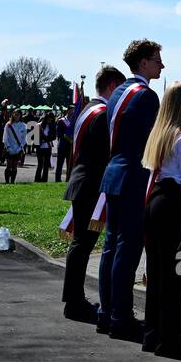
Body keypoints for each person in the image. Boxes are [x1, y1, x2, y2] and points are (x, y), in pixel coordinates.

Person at [97, 39, 164, 340]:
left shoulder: (118, 93)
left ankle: (107, 311)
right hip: (134, 178)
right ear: (143, 63)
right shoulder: (147, 96)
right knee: (128, 247)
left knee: (111, 247)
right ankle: (120, 316)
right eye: (157, 59)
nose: (161, 64)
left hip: (113, 175)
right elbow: (155, 142)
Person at [141, 82, 181, 357]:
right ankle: (171, 339)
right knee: (178, 274)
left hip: (156, 203)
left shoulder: (160, 132)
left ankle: (153, 334)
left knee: (157, 273)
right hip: (176, 209)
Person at [61, 66, 124, 322]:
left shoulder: (88, 109)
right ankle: (74, 301)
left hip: (82, 181)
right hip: (91, 185)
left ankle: (73, 299)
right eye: (119, 90)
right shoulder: (102, 115)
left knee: (81, 244)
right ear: (111, 88)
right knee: (83, 245)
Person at [2, 109, 27, 184]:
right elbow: (5, 137)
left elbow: (24, 138)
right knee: (8, 166)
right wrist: (8, 147)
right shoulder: (8, 124)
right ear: (13, 115)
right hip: (9, 148)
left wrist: (20, 147)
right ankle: (7, 182)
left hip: (18, 148)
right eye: (15, 114)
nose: (16, 116)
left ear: (20, 115)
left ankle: (12, 182)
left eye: (18, 114)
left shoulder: (23, 125)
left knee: (14, 166)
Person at [34, 112, 55, 182]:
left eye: (51, 119)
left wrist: (47, 138)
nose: (50, 120)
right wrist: (42, 138)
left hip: (48, 147)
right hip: (39, 147)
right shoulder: (38, 125)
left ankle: (44, 180)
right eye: (49, 119)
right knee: (40, 164)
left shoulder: (51, 126)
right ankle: (37, 179)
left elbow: (54, 137)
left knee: (46, 165)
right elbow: (35, 138)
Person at [55, 109, 72, 183]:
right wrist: (66, 137)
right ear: (68, 111)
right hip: (62, 145)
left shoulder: (73, 121)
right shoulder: (61, 120)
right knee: (59, 164)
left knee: (69, 164)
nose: (72, 112)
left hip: (70, 145)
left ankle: (68, 179)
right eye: (71, 110)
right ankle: (57, 179)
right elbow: (58, 133)